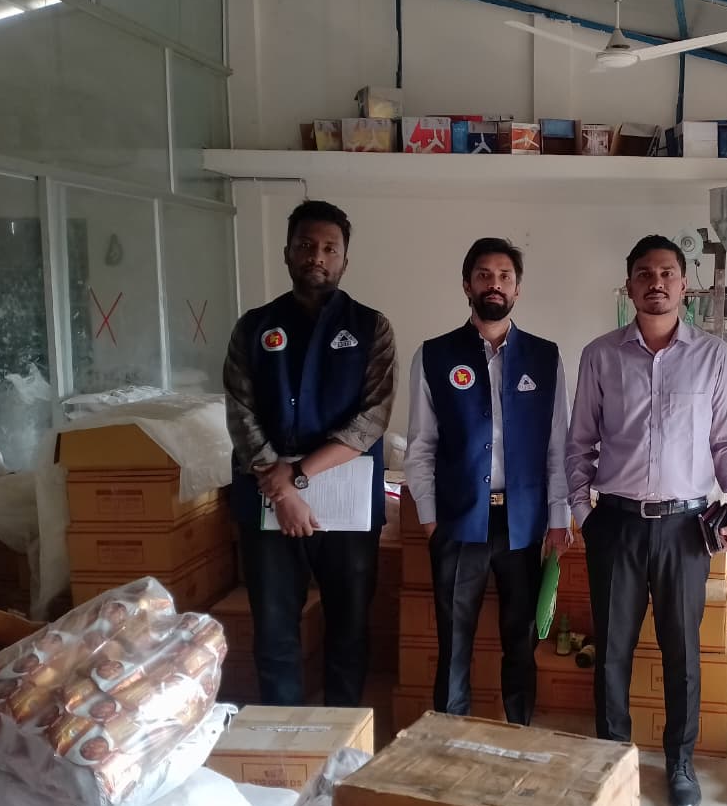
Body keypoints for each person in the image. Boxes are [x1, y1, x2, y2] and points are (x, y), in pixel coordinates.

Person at [566, 235, 727, 806]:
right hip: (616, 523)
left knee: (682, 650)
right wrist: (583, 514)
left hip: (686, 526)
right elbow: (579, 442)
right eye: (644, 273)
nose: (656, 283)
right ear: (629, 286)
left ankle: (680, 761)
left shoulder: (715, 356)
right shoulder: (600, 355)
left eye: (667, 273)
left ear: (684, 284)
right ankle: (611, 760)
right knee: (612, 649)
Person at [224, 199, 396, 706]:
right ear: (286, 252)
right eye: (305, 245)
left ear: (344, 259)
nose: (316, 256)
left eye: (329, 248)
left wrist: (295, 476)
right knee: (275, 632)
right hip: (267, 502)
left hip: (344, 500)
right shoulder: (253, 327)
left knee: (349, 629)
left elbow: (373, 418)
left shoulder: (371, 328)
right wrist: (279, 489)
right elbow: (240, 411)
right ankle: (285, 739)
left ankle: (342, 736)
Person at [404, 237, 570, 726]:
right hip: (458, 523)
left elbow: (557, 446)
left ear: (517, 289)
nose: (494, 284)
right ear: (466, 285)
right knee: (454, 641)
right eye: (483, 275)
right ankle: (449, 737)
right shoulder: (434, 355)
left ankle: (519, 733)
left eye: (504, 276)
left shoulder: (545, 357)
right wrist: (431, 519)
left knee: (520, 641)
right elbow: (420, 447)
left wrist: (558, 518)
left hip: (524, 524)